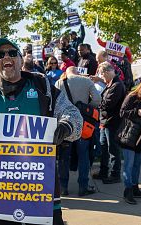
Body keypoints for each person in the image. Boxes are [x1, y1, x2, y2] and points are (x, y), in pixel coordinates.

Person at [0, 37, 83, 225]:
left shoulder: (43, 87)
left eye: (11, 53)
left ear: (20, 59)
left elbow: (73, 114)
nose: (6, 56)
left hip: (41, 188)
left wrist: (65, 127)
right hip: (1, 191)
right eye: (0, 54)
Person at [55, 66, 101, 196]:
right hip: (83, 123)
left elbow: (54, 102)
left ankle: (63, 187)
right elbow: (97, 99)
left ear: (66, 72)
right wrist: (86, 108)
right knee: (83, 156)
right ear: (78, 72)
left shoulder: (60, 82)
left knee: (64, 157)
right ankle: (83, 186)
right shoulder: (87, 81)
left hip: (65, 124)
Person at [92, 62, 126, 184]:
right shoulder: (110, 84)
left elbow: (108, 104)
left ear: (107, 72)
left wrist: (97, 103)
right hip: (105, 122)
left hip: (113, 122)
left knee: (113, 149)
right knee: (103, 148)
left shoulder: (117, 85)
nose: (102, 77)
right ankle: (103, 171)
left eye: (102, 74)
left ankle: (115, 174)